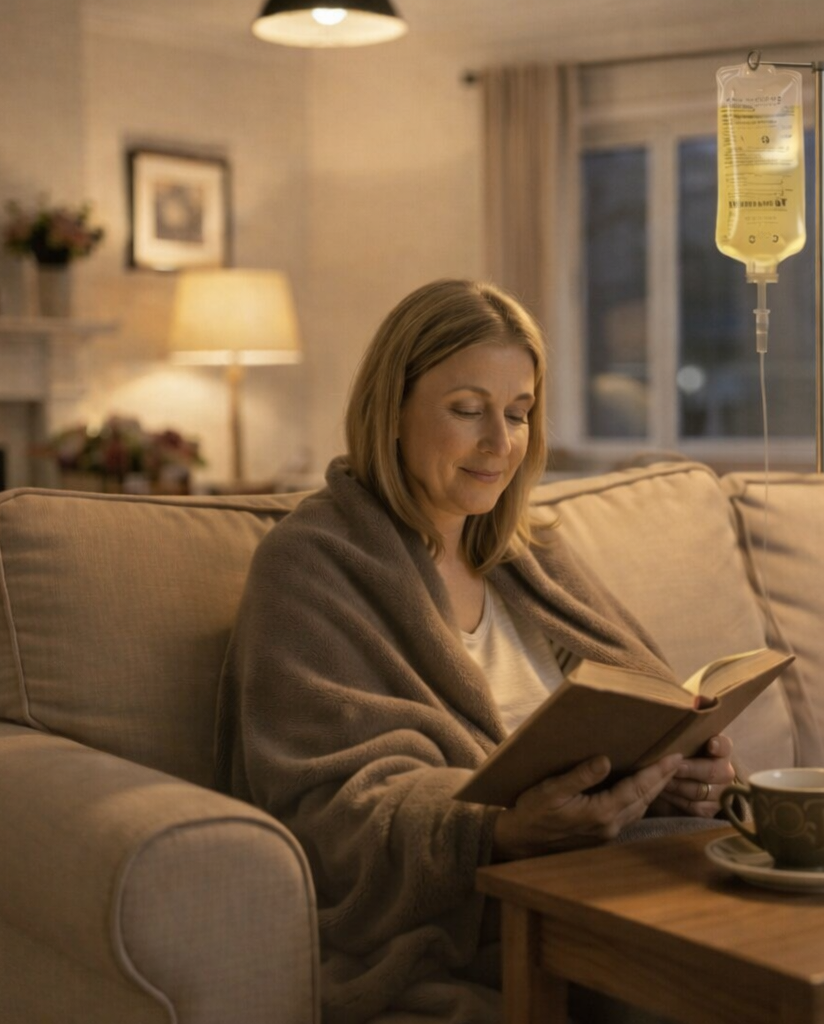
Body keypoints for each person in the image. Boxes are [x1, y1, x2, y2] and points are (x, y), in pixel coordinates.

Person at [215, 279, 737, 1024]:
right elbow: (328, 809)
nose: (501, 443)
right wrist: (497, 830)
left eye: (519, 413)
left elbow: (647, 701)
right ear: (392, 410)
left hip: (633, 861)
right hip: (490, 910)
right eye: (467, 411)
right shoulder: (312, 565)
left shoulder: (534, 558)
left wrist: (687, 770)